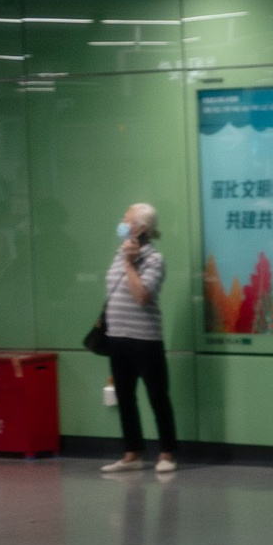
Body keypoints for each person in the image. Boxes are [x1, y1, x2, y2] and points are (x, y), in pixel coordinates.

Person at [101, 203, 177, 476]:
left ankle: (167, 453)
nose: (122, 221)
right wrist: (124, 259)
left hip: (145, 339)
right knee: (125, 396)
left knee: (157, 396)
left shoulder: (155, 259)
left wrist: (130, 264)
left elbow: (142, 295)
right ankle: (131, 453)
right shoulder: (119, 253)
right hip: (117, 337)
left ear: (140, 227)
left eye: (127, 218)